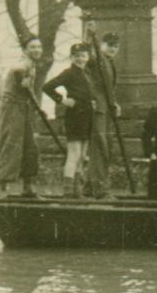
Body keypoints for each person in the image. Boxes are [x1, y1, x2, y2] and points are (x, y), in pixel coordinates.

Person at [42, 43, 95, 197]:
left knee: (83, 155)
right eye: (77, 56)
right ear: (72, 57)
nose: (80, 59)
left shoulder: (88, 73)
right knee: (74, 154)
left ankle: (77, 190)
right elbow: (47, 87)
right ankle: (68, 191)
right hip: (75, 116)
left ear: (88, 57)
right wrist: (62, 100)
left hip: (88, 117)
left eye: (83, 56)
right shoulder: (69, 73)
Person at [0, 35, 43, 197]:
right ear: (25, 50)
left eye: (38, 47)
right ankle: (2, 188)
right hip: (11, 108)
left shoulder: (33, 64)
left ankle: (27, 187)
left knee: (30, 146)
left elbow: (28, 90)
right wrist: (22, 76)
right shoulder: (24, 63)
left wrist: (38, 107)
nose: (36, 50)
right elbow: (17, 69)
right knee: (11, 145)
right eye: (32, 47)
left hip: (24, 108)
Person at [84, 26, 120, 198]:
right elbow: (86, 56)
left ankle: (90, 187)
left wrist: (114, 103)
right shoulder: (97, 59)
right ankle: (100, 189)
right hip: (98, 109)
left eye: (115, 45)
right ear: (102, 45)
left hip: (106, 109)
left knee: (105, 146)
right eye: (109, 44)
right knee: (100, 148)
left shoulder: (109, 62)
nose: (112, 48)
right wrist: (88, 35)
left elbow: (108, 87)